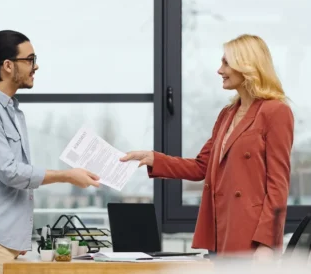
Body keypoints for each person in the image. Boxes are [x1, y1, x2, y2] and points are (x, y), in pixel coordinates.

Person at [121, 34, 294, 259]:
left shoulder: (276, 112)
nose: (219, 70)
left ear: (247, 65)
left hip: (251, 236)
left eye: (226, 63)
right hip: (219, 229)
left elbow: (278, 185)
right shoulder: (227, 115)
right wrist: (155, 159)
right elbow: (201, 166)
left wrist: (267, 245)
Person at [0, 30, 100, 274]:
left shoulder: (10, 111)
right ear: (8, 66)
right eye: (30, 59)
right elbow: (10, 172)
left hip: (2, 241)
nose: (36, 66)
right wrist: (67, 176)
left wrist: (16, 239)